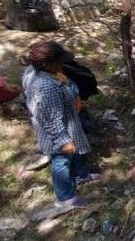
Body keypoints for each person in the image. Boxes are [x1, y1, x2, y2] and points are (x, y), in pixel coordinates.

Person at [21, 41, 100, 208]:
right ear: (47, 64)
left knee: (75, 151)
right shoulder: (46, 87)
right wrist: (63, 140)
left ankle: (82, 175)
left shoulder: (43, 74)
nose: (63, 64)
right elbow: (51, 119)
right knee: (61, 161)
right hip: (58, 131)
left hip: (67, 124)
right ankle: (65, 197)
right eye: (59, 61)